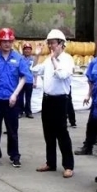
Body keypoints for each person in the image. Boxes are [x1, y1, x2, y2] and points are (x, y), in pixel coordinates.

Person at [31, 29, 76, 178]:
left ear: (61, 44)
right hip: (47, 99)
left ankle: (68, 165)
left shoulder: (67, 59)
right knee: (48, 133)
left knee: (62, 133)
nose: (51, 46)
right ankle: (50, 162)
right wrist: (37, 55)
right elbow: (34, 71)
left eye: (53, 43)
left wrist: (54, 60)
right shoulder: (47, 60)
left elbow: (62, 75)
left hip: (60, 100)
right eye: (49, 43)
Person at [0, 28, 29, 168]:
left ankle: (15, 156)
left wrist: (15, 94)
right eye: (4, 41)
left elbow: (23, 77)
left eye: (9, 41)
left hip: (12, 101)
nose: (7, 44)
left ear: (12, 42)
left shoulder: (18, 58)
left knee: (12, 130)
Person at [75, 32, 97, 156]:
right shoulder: (94, 62)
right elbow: (90, 80)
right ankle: (87, 147)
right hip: (95, 100)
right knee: (92, 124)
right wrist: (88, 94)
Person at [18, 43, 35, 118]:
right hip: (21, 81)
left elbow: (35, 70)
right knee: (20, 97)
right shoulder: (20, 58)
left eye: (29, 49)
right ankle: (20, 111)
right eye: (25, 49)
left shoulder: (33, 59)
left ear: (31, 50)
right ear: (23, 50)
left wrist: (35, 81)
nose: (27, 51)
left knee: (28, 98)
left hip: (29, 81)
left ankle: (28, 112)